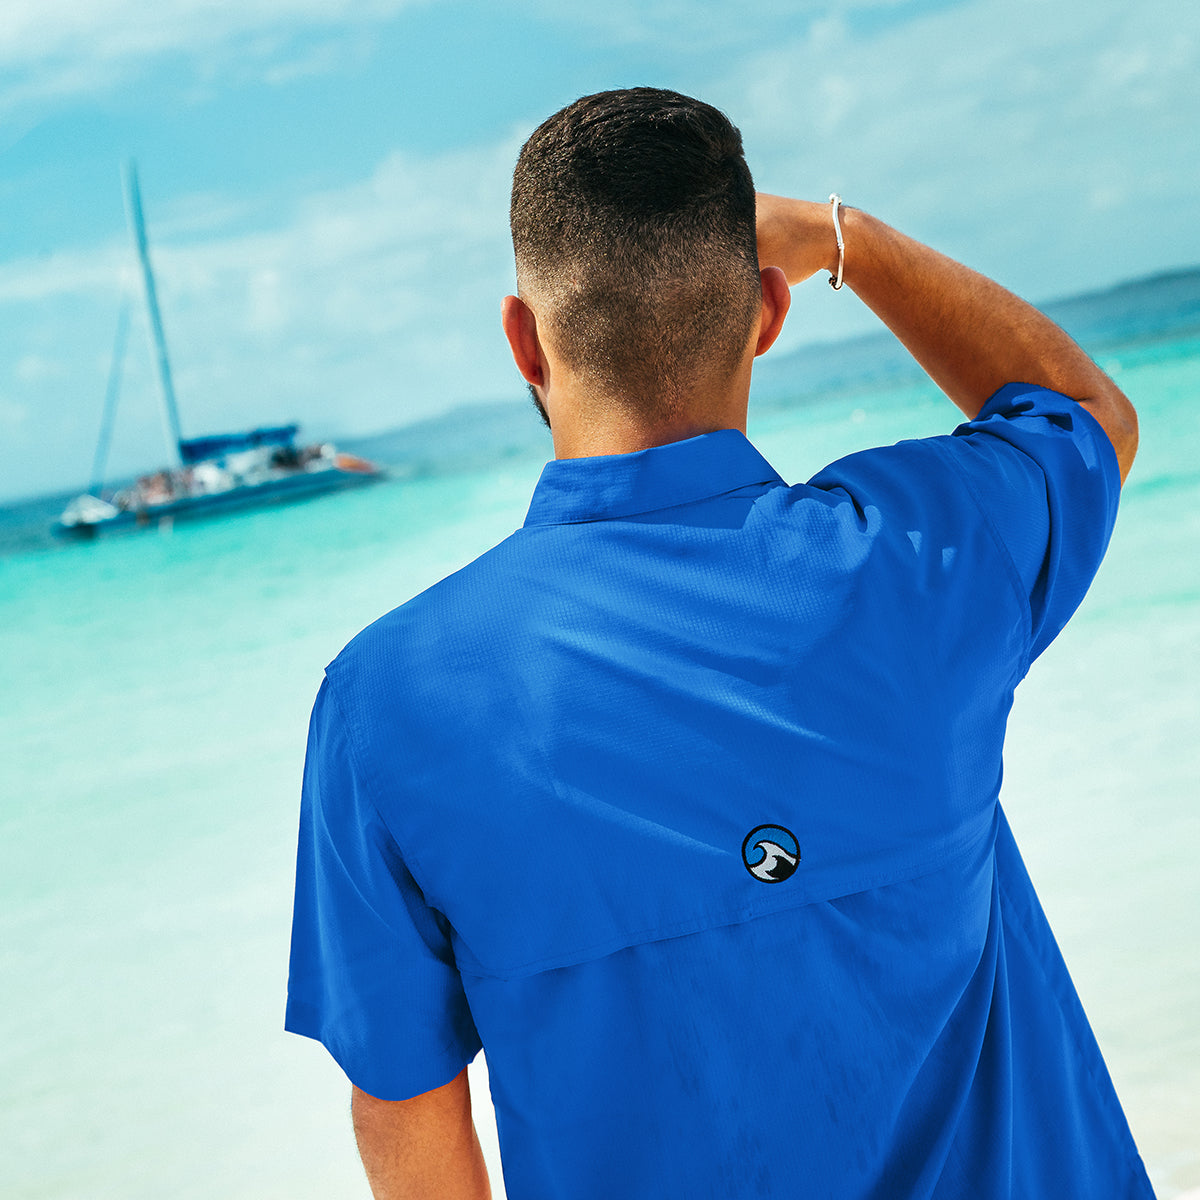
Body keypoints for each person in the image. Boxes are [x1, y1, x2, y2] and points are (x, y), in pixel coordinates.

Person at [286, 87, 1153, 1199]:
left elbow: (406, 1111)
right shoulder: (922, 554)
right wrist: (848, 241)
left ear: (523, 342)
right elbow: (1082, 410)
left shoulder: (390, 704)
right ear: (770, 314)